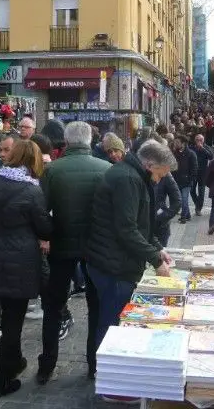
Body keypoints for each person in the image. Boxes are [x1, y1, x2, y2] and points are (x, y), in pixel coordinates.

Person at [85, 141, 175, 379]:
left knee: (108, 317)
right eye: (159, 175)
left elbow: (139, 224)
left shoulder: (133, 175)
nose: (158, 180)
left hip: (113, 260)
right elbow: (127, 229)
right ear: (149, 164)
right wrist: (155, 260)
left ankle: (103, 371)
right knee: (111, 321)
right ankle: (107, 376)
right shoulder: (128, 179)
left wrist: (157, 248)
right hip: (113, 264)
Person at [0, 139, 52, 398]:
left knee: (2, 312)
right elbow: (44, 228)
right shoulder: (33, 191)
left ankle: (14, 361)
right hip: (21, 263)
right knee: (12, 323)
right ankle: (2, 379)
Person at [37, 122, 109, 385]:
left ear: (66, 141)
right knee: (97, 307)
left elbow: (41, 210)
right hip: (95, 248)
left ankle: (47, 364)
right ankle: (94, 364)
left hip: (61, 246)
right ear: (90, 141)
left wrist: (46, 236)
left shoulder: (52, 170)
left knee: (53, 307)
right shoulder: (106, 170)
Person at [172, 135, 198, 224]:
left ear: (183, 143)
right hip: (176, 180)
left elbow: (194, 168)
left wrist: (191, 179)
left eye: (177, 142)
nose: (175, 144)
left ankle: (183, 217)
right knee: (180, 199)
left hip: (187, 181)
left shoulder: (191, 154)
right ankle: (188, 215)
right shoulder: (175, 153)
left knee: (184, 199)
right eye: (175, 142)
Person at [190, 134, 214, 216]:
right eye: (197, 140)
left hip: (203, 173)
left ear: (203, 140)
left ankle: (198, 208)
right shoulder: (191, 147)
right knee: (191, 190)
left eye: (201, 140)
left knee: (201, 191)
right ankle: (197, 203)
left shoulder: (207, 147)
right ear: (195, 140)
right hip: (193, 172)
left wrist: (203, 149)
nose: (199, 141)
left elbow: (211, 157)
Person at [153, 172, 181, 246]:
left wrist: (164, 215)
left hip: (159, 225)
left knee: (160, 252)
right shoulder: (139, 171)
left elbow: (177, 201)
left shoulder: (165, 174)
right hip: (140, 225)